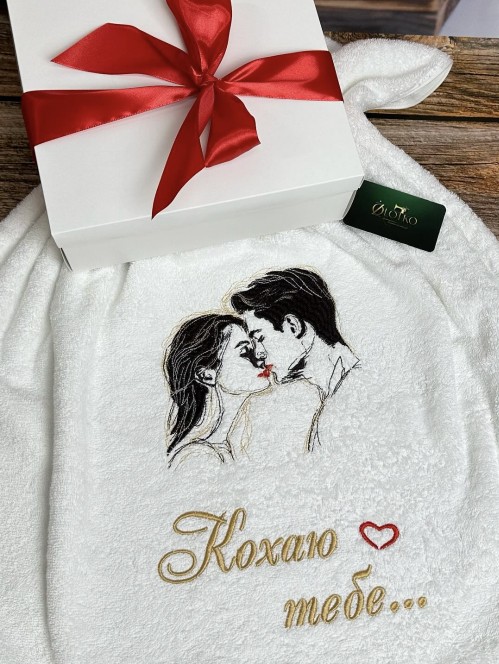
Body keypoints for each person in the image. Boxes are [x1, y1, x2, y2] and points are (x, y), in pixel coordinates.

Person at [230, 267, 359, 450]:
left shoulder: (356, 395)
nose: (258, 355)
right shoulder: (335, 395)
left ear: (293, 326)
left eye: (260, 338)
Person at [163, 313, 272, 470]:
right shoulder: (198, 458)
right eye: (245, 352)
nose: (261, 356)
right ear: (206, 375)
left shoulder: (220, 447)